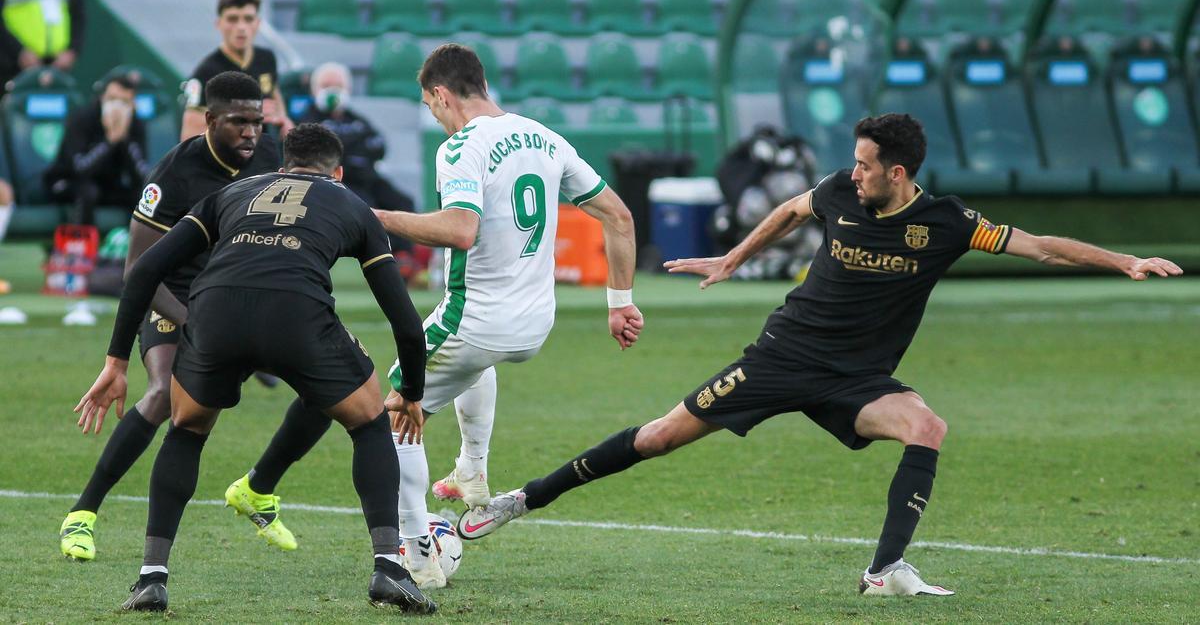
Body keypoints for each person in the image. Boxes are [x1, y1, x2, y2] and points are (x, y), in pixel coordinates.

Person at [455, 113, 1184, 596]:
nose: (853, 171)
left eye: (866, 164)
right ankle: (522, 499)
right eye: (855, 163)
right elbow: (790, 210)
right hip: (782, 354)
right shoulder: (838, 190)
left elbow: (1042, 247)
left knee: (927, 426)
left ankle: (885, 569)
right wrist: (733, 259)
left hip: (858, 379)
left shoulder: (949, 222)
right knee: (657, 437)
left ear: (897, 173)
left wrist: (1123, 260)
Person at [225, 43, 641, 591]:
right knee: (475, 365)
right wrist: (620, 302)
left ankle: (419, 554)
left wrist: (369, 216)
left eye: (429, 105)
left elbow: (459, 229)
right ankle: (472, 466)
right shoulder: (545, 137)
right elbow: (618, 215)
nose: (434, 116)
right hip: (535, 323)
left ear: (442, 94)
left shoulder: (462, 146)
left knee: (386, 414)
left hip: (473, 320)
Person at [73, 123, 436, 614]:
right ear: (339, 171)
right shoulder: (350, 202)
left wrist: (116, 361)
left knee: (186, 429)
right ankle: (388, 570)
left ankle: (151, 578)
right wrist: (410, 391)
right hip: (296, 315)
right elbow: (408, 327)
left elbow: (143, 269)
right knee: (368, 417)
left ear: (282, 167)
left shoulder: (234, 191)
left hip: (214, 313)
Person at [58, 71, 283, 561]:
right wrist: (190, 319)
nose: (250, 133)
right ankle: (83, 515)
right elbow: (138, 268)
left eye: (258, 122)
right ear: (209, 120)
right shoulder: (173, 173)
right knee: (164, 395)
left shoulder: (268, 157)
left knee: (330, 382)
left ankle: (259, 489)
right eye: (239, 122)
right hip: (173, 296)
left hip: (232, 296)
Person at [299, 61, 416, 255]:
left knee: (403, 203)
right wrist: (354, 151)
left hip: (367, 177)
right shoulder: (307, 119)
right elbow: (322, 152)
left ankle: (405, 258)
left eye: (338, 86)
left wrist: (346, 150)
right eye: (326, 86)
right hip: (335, 183)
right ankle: (385, 253)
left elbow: (379, 146)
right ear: (314, 90)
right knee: (368, 206)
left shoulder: (356, 119)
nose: (333, 91)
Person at [179, 0, 291, 140]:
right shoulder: (206, 72)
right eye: (232, 19)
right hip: (228, 161)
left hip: (263, 155)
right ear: (219, 24)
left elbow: (273, 91)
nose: (241, 27)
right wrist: (249, 113)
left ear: (258, 24)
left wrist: (283, 119)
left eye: (248, 19)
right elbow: (189, 135)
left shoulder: (266, 58)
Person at [43, 73, 148, 225]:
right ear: (102, 98)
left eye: (124, 102)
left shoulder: (135, 123)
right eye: (112, 99)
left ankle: (136, 245)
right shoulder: (82, 118)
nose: (117, 107)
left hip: (107, 185)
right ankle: (83, 245)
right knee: (88, 191)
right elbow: (80, 169)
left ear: (133, 105)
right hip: (66, 181)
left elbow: (141, 176)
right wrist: (109, 141)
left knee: (141, 196)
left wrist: (124, 139)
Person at [0, 0, 83, 91]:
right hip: (11, 65)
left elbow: (78, 14)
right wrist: (19, 52)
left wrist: (72, 50)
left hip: (56, 66)